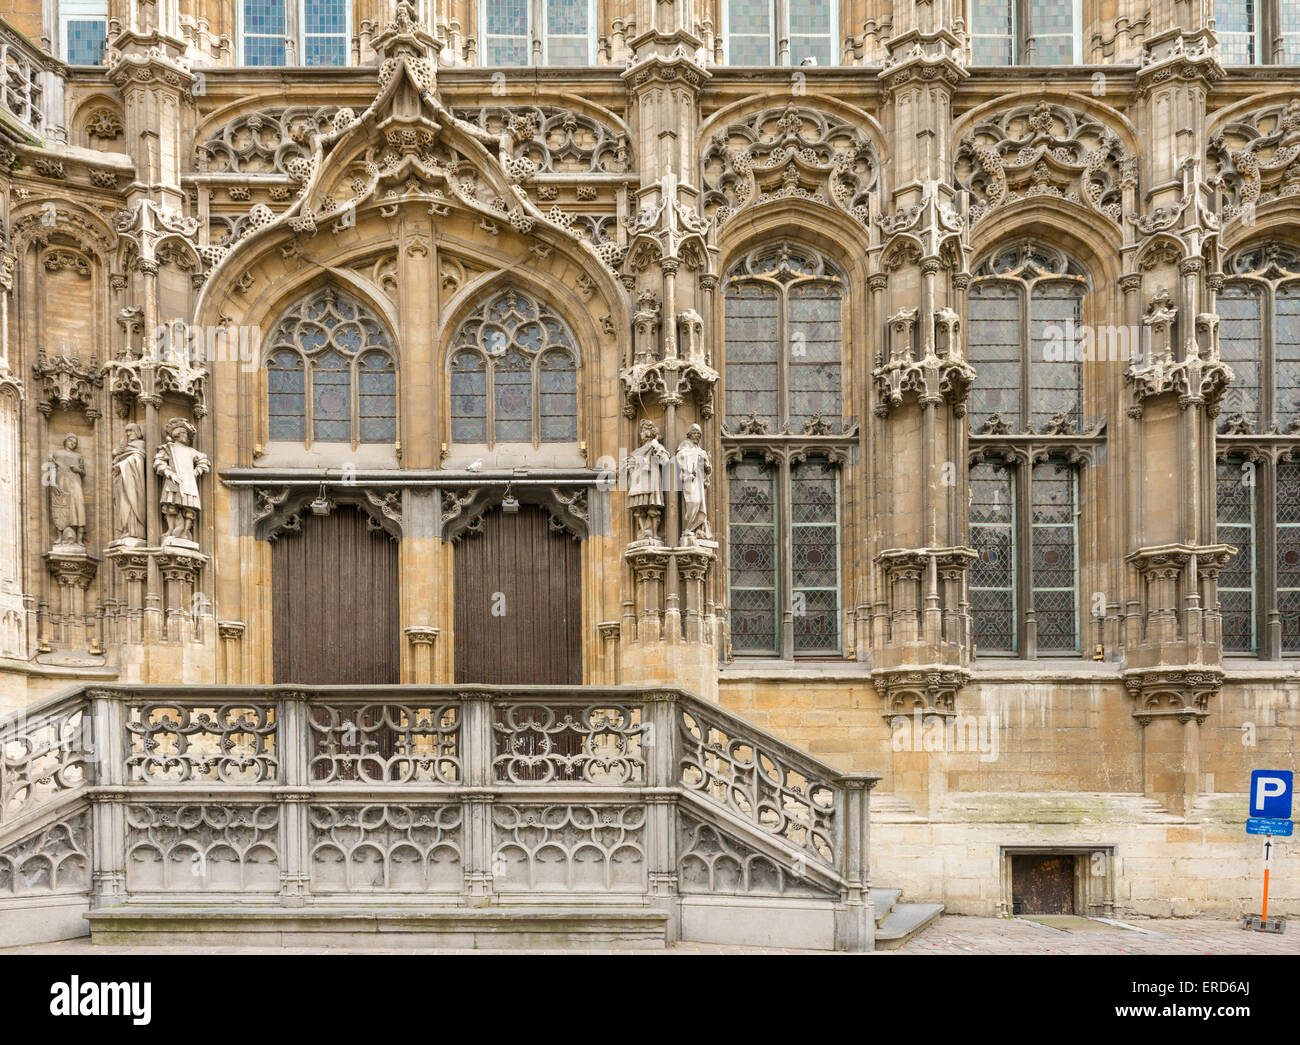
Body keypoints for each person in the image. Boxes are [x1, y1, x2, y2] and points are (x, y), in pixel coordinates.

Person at [154, 418, 210, 543]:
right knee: (170, 506)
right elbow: (159, 462)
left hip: (189, 481)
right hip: (173, 480)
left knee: (189, 509)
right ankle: (170, 529)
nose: (186, 436)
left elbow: (204, 461)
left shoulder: (192, 451)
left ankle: (185, 532)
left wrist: (196, 472)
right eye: (184, 434)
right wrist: (169, 473)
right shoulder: (169, 448)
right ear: (177, 435)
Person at [623, 418, 671, 542]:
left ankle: (653, 534)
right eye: (642, 430)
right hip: (638, 484)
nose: (643, 433)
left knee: (653, 509)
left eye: (645, 430)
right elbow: (627, 470)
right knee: (639, 509)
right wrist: (628, 466)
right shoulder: (636, 452)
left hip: (651, 482)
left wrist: (656, 447)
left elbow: (665, 461)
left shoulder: (656, 446)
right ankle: (644, 532)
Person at [47, 433, 86, 547]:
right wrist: (53, 483)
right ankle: (60, 537)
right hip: (62, 481)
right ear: (65, 441)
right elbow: (52, 468)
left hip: (75, 482)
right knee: (61, 507)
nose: (72, 444)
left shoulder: (78, 456)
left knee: (78, 507)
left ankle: (79, 539)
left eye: (75, 443)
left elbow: (84, 472)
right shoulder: (57, 454)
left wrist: (77, 469)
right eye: (71, 441)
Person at [676, 423, 712, 541]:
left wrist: (707, 466)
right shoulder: (685, 445)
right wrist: (696, 455)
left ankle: (694, 529)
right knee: (693, 502)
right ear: (689, 434)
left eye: (698, 434)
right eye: (694, 433)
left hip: (699, 481)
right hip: (690, 479)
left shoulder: (700, 450)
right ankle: (687, 529)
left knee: (700, 503)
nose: (697, 435)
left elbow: (707, 468)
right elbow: (680, 457)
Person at [111, 423, 146, 542]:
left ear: (137, 432)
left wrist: (121, 464)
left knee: (132, 502)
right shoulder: (126, 447)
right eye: (127, 431)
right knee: (123, 503)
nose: (128, 434)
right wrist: (116, 454)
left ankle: (134, 531)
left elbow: (138, 458)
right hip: (123, 478)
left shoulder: (140, 444)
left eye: (131, 431)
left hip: (133, 479)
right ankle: (127, 529)